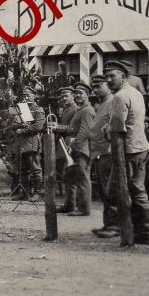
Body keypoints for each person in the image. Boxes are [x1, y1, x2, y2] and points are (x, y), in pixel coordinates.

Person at [104, 60, 149, 244]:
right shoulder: (136, 93)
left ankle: (124, 228)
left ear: (123, 77)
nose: (109, 80)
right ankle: (144, 231)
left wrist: (106, 130)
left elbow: (117, 128)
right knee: (138, 190)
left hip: (128, 150)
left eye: (112, 76)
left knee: (117, 189)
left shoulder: (120, 97)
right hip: (141, 147)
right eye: (107, 76)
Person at [87, 75, 119, 238]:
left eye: (99, 86)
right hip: (99, 153)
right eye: (93, 87)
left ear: (108, 85)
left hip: (108, 152)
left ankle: (114, 225)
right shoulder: (102, 105)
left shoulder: (113, 102)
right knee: (104, 191)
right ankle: (109, 223)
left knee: (111, 191)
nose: (95, 90)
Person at [64, 82, 96, 216]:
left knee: (82, 178)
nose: (77, 95)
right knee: (70, 177)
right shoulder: (80, 109)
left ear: (87, 95)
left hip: (81, 149)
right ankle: (70, 205)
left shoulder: (87, 110)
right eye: (76, 93)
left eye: (80, 93)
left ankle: (84, 208)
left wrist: (74, 146)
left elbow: (85, 132)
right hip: (76, 147)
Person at [7, 87, 45, 199]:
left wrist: (23, 130)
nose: (26, 97)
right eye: (24, 95)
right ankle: (25, 193)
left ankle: (37, 193)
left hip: (32, 142)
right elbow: (13, 124)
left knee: (35, 168)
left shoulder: (38, 110)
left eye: (28, 95)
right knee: (21, 169)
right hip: (20, 143)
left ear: (34, 96)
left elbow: (38, 126)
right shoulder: (20, 110)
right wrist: (20, 126)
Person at [53, 86, 79, 213]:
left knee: (70, 174)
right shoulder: (65, 110)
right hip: (63, 143)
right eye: (62, 96)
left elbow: (73, 128)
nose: (63, 98)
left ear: (73, 96)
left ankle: (72, 204)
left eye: (66, 96)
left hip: (70, 143)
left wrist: (57, 127)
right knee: (66, 176)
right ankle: (69, 203)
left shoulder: (76, 110)